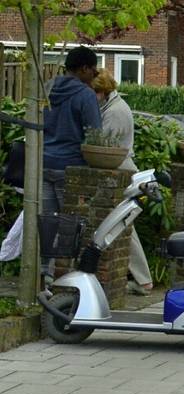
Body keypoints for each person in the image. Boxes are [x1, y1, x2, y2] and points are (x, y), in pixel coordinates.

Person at [91, 69, 153, 297]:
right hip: (123, 171)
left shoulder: (115, 112)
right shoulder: (114, 106)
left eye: (95, 91)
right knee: (124, 224)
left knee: (122, 224)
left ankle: (143, 280)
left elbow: (104, 145)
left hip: (120, 172)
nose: (93, 96)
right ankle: (142, 280)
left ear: (103, 91)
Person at [42, 46, 101, 281]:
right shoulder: (85, 95)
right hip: (71, 167)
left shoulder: (47, 88)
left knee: (46, 223)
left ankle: (43, 274)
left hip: (43, 163)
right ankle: (65, 278)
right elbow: (95, 134)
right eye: (93, 69)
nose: (95, 74)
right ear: (84, 68)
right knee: (70, 225)